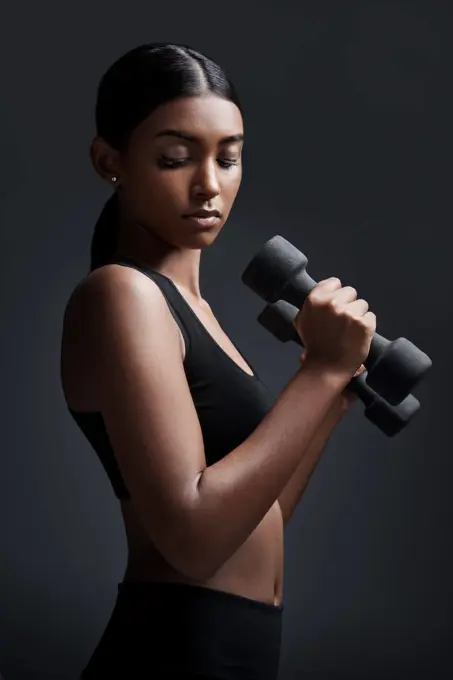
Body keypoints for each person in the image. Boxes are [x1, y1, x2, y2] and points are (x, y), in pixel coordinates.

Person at [60, 43, 376, 679]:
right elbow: (194, 542)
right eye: (176, 158)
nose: (209, 184)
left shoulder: (193, 310)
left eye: (228, 158)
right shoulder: (123, 295)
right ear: (109, 161)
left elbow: (257, 520)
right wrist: (317, 375)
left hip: (239, 648)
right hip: (173, 650)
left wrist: (328, 397)